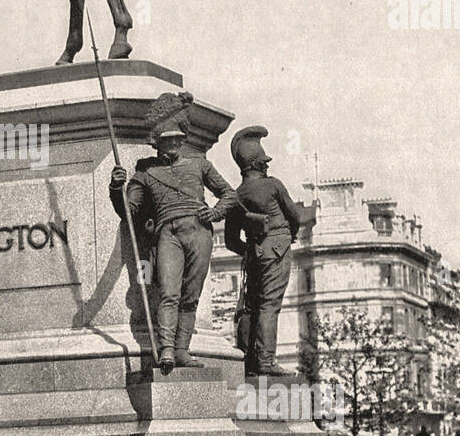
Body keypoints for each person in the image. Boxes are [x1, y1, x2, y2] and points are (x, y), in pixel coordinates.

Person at [109, 92, 237, 372]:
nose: (173, 145)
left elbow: (229, 194)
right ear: (156, 142)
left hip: (200, 233)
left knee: (191, 297)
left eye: (177, 139)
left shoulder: (199, 165)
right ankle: (166, 349)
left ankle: (182, 351)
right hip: (168, 234)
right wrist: (115, 188)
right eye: (167, 140)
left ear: (183, 138)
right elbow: (129, 213)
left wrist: (215, 213)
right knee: (169, 292)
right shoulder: (145, 172)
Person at [223, 126, 314, 376]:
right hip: (277, 249)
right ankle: (265, 362)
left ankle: (250, 362)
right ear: (257, 164)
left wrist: (253, 250)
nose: (267, 166)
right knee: (269, 306)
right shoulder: (273, 185)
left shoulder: (236, 195)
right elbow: (297, 216)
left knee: (252, 307)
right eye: (264, 162)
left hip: (254, 254)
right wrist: (306, 217)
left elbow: (231, 240)